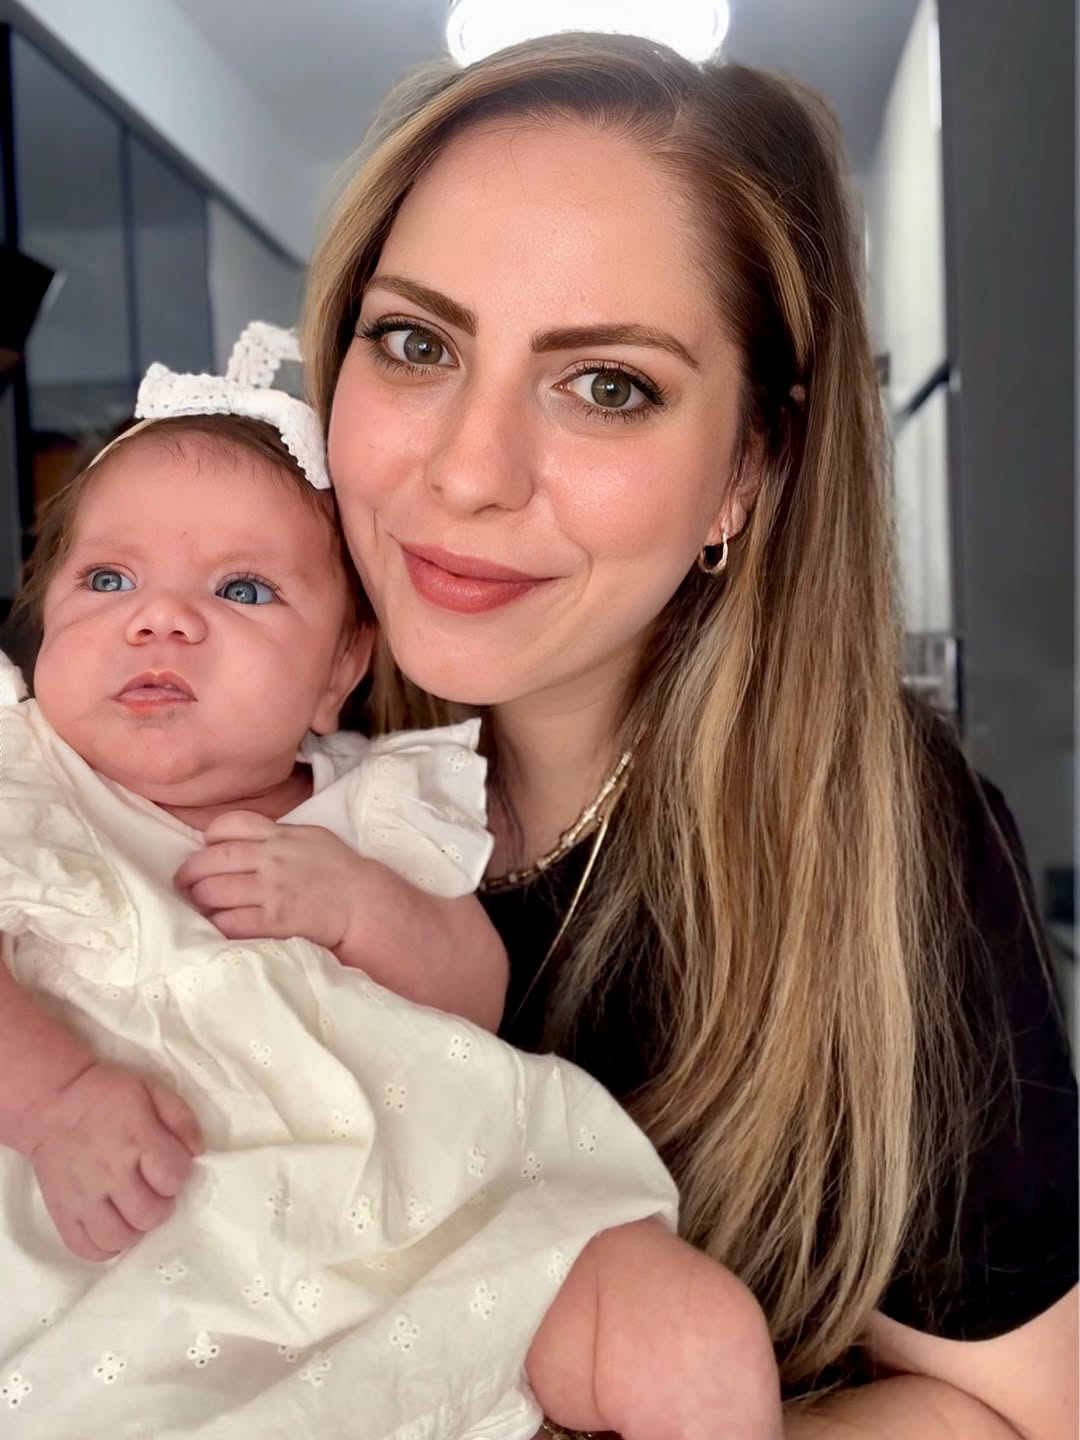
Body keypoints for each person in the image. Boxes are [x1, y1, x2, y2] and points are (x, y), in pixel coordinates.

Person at [302, 31, 1079, 1437]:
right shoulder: (219, 719)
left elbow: (1020, 1414)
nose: (468, 472)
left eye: (608, 384)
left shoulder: (883, 834)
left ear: (747, 468)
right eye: (415, 342)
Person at [0, 329, 784, 1440]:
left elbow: (474, 991)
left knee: (693, 1333)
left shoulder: (376, 808)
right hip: (134, 1280)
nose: (160, 617)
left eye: (243, 588)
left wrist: (360, 906)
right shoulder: (24, 785)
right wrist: (54, 1101)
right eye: (108, 579)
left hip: (430, 1247)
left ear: (340, 668)